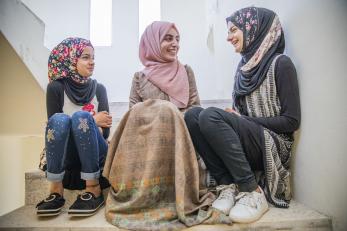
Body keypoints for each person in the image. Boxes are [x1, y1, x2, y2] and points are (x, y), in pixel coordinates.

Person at [103, 21, 230, 230]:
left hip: (180, 141)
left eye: (177, 39)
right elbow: (134, 115)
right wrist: (161, 115)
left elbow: (195, 109)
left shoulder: (186, 71)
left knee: (169, 112)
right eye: (168, 38)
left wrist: (169, 116)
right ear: (153, 42)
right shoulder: (139, 78)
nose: (175, 44)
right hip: (149, 145)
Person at [185, 7, 301, 223]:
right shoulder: (243, 69)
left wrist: (243, 120)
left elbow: (292, 121)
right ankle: (228, 186)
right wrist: (239, 118)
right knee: (193, 116)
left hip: (273, 143)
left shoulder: (281, 64)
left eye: (234, 30)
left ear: (254, 29)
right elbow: (238, 118)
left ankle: (252, 191)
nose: (228, 37)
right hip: (249, 140)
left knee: (210, 115)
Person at [36, 37, 112, 217]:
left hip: (95, 151)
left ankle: (93, 188)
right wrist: (93, 121)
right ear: (70, 59)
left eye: (93, 57)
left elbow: (105, 130)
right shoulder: (56, 88)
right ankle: (56, 190)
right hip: (67, 154)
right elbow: (55, 129)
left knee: (80, 117)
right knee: (60, 120)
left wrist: (85, 121)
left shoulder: (99, 88)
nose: (92, 62)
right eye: (86, 57)